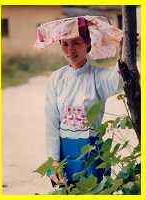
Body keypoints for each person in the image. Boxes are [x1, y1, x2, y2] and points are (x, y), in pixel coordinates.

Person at [37, 16, 124, 187]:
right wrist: (54, 160)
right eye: (65, 44)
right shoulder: (56, 78)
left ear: (87, 43)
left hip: (92, 151)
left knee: (95, 191)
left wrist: (124, 49)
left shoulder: (98, 76)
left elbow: (118, 80)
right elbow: (51, 123)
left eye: (76, 42)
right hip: (64, 152)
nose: (70, 50)